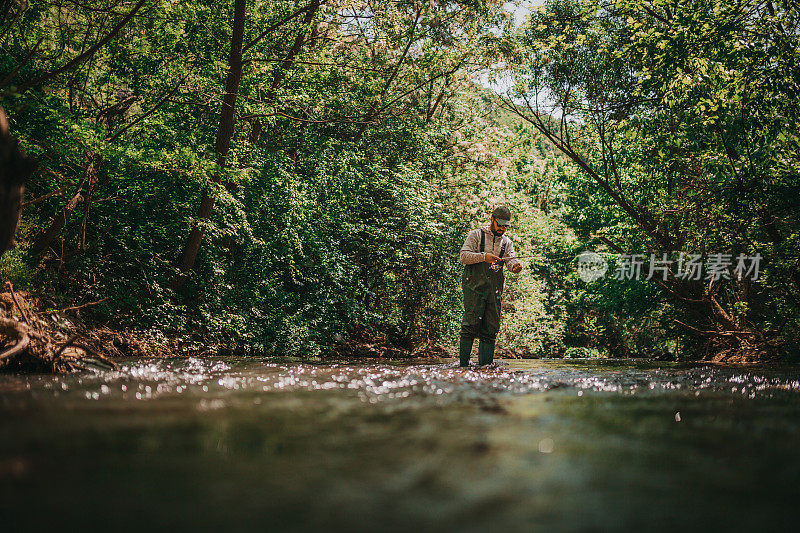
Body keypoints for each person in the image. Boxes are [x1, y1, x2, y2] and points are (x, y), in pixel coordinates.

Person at [458, 205, 522, 367]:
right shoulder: (476, 235)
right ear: (492, 219)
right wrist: (484, 257)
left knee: (491, 328)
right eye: (500, 224)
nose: (502, 228)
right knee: (470, 325)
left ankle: (485, 368)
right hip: (474, 286)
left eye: (505, 226)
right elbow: (464, 257)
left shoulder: (507, 243)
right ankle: (463, 366)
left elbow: (511, 260)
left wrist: (515, 267)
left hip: (494, 289)